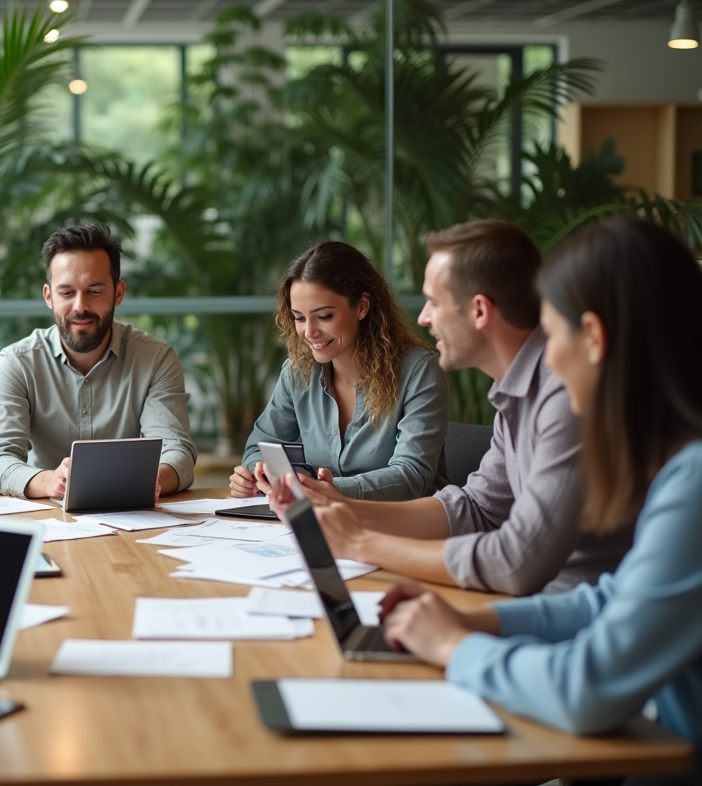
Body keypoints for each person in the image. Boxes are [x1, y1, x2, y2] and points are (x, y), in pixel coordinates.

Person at [378, 217, 702, 786]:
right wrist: (478, 623)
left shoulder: (695, 484)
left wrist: (456, 646)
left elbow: (588, 690)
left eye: (554, 337)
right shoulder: (680, 466)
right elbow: (609, 603)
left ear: (596, 339)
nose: (548, 363)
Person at [276, 220, 633, 596]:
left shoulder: (566, 392)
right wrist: (340, 507)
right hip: (538, 606)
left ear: (479, 311)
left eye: (434, 302)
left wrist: (361, 543)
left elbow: (517, 561)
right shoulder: (516, 392)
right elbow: (476, 509)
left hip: (576, 618)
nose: (424, 318)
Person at [0, 223, 196, 499]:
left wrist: (151, 480)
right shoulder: (17, 363)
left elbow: (178, 453)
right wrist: (49, 482)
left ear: (118, 293)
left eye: (94, 291)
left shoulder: (156, 359)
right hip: (48, 517)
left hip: (135, 517)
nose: (80, 306)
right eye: (67, 292)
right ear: (49, 296)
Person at [230, 240, 449, 501]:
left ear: (362, 307)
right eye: (299, 318)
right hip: (320, 522)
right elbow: (261, 446)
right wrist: (256, 475)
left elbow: (412, 475)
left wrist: (328, 491)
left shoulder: (419, 372)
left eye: (324, 316)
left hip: (400, 527)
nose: (309, 332)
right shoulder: (298, 373)